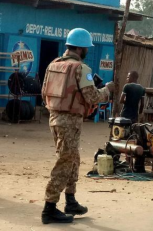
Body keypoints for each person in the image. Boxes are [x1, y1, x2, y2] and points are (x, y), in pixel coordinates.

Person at [41, 28, 114, 224]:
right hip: (70, 121)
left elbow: (43, 94)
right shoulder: (81, 69)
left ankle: (70, 201)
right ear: (81, 48)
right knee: (66, 161)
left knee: (73, 159)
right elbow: (92, 96)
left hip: (55, 118)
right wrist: (107, 90)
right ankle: (49, 207)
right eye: (87, 48)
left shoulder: (53, 65)